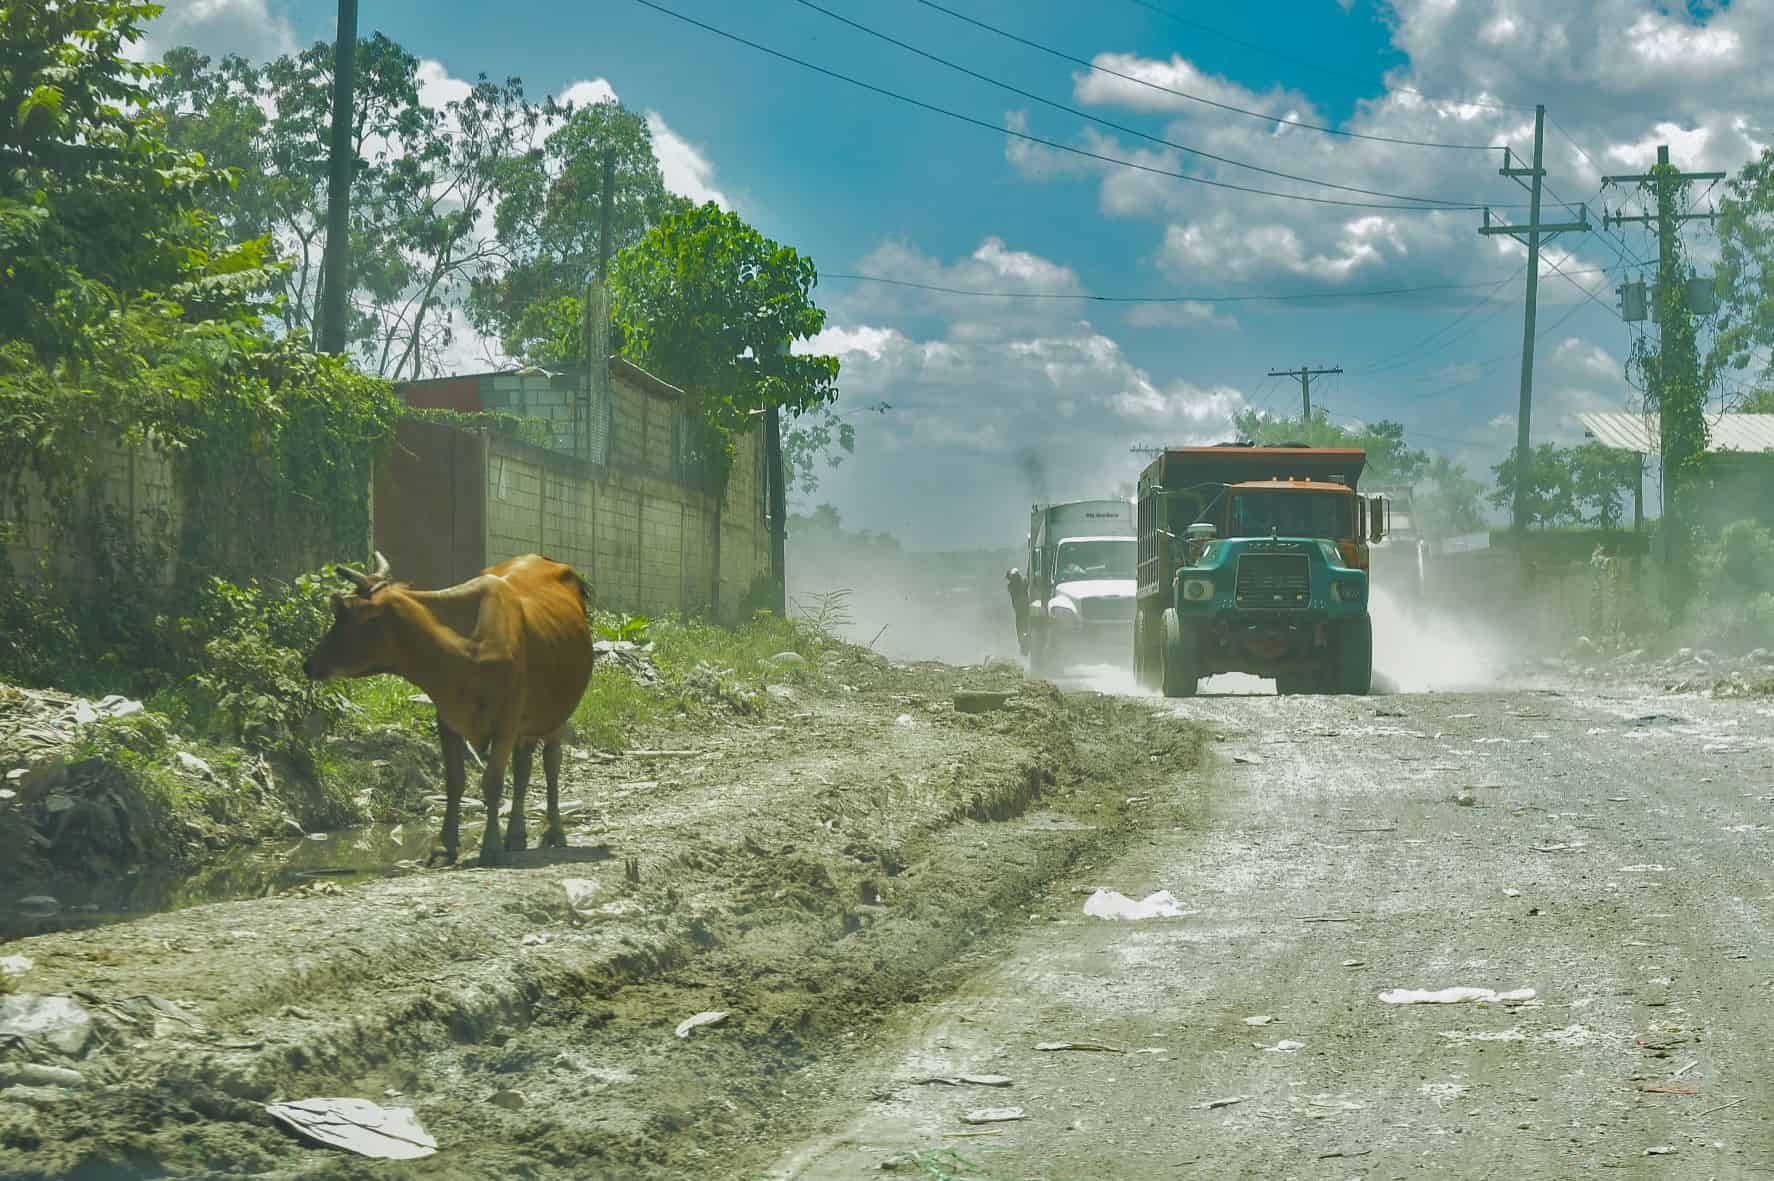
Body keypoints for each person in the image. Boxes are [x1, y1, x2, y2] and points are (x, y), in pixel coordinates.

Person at [1005, 567, 1030, 654]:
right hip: (1022, 611)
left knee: (1022, 627)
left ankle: (1024, 645)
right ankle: (1024, 645)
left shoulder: (1014, 585)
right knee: (1021, 628)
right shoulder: (1016, 585)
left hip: (1023, 611)